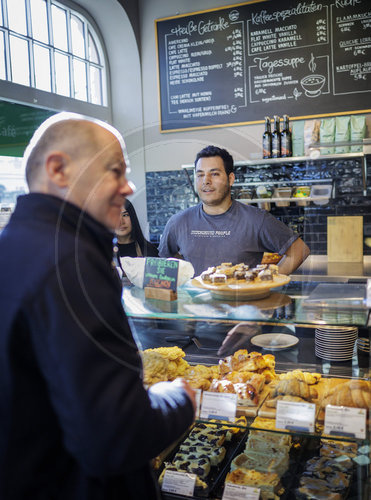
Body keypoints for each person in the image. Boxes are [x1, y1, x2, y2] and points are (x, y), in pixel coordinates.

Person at [0, 112, 196, 500]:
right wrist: (179, 399)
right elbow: (116, 437)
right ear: (58, 169)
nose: (129, 187)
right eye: (115, 171)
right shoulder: (70, 259)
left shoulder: (14, 247)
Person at [159, 145, 310, 276]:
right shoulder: (178, 222)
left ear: (230, 179)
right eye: (200, 175)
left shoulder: (256, 220)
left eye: (214, 174)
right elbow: (164, 261)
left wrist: (265, 281)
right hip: (194, 308)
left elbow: (299, 250)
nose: (206, 181)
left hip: (242, 307)